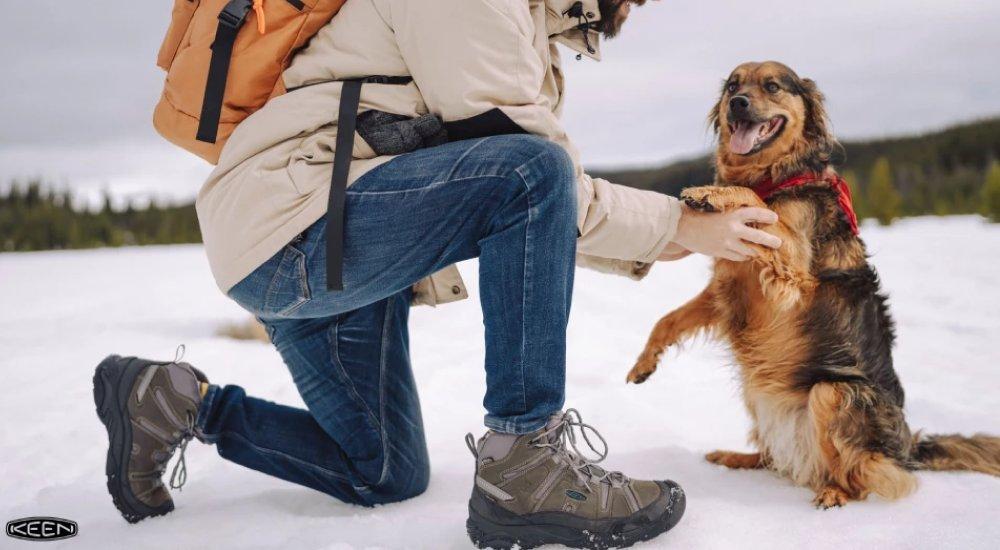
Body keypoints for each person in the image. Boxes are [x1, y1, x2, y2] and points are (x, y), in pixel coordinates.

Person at [93, 0, 781, 547]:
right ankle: (524, 461)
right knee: (530, 171)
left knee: (383, 470)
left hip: (311, 231)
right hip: (299, 226)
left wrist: (673, 235)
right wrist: (677, 225)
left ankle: (175, 401)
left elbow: (543, 213)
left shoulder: (526, 27)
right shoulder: (477, 3)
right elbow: (538, 180)